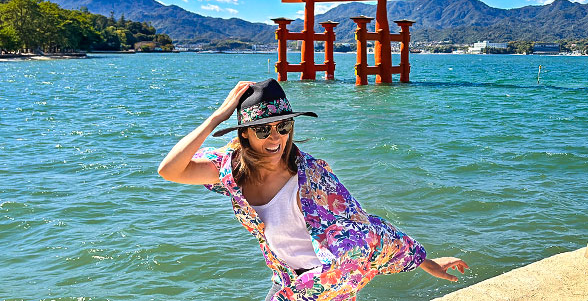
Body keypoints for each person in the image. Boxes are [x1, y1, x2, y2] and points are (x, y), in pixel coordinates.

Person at [158, 79, 468, 300]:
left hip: (331, 281)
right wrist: (216, 118)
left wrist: (425, 262)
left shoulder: (312, 176)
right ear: (245, 135)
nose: (275, 137)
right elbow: (169, 170)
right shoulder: (231, 168)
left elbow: (365, 227)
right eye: (263, 129)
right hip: (287, 279)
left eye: (284, 126)